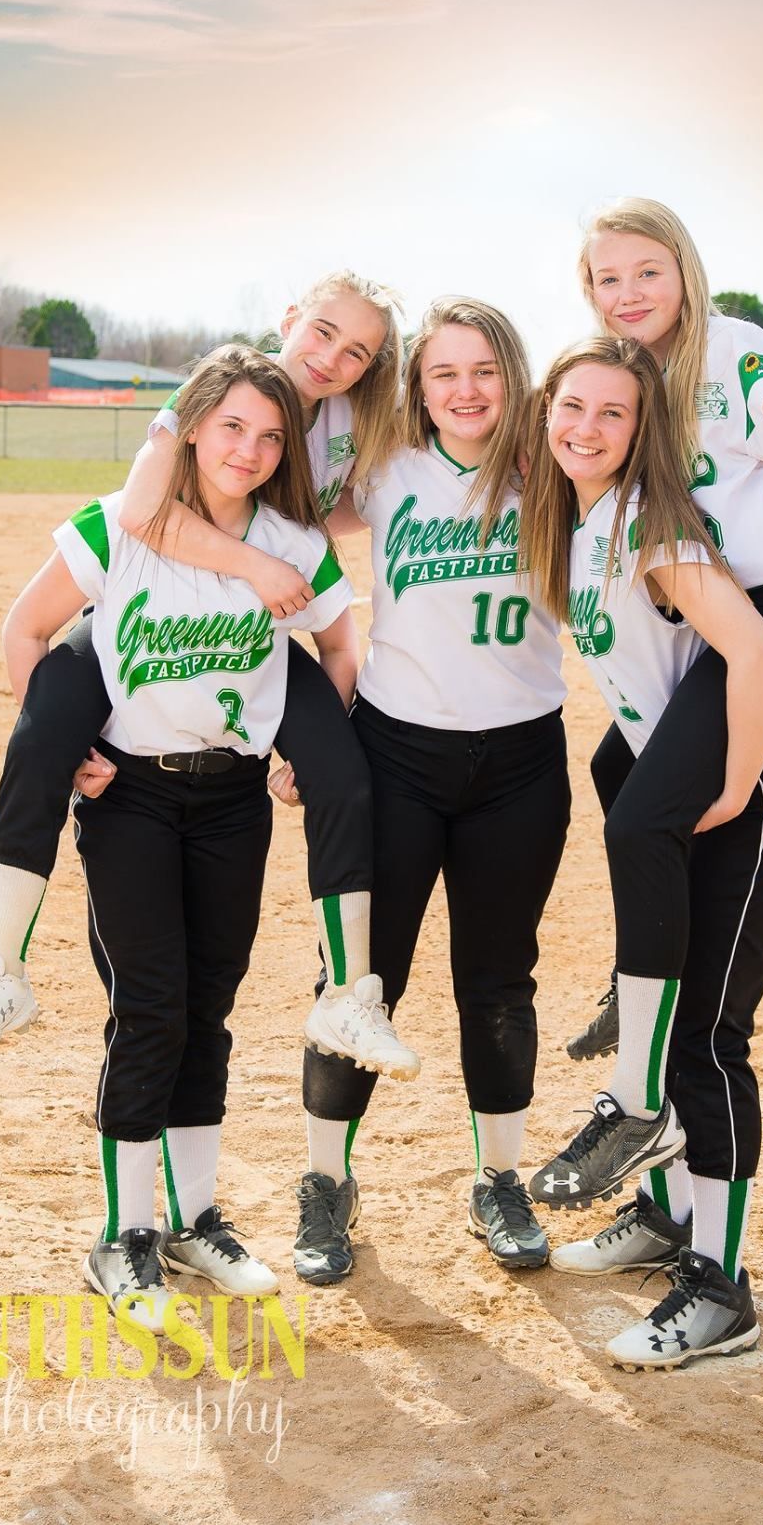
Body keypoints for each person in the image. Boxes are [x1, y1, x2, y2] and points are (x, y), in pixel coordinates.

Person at [0, 271, 418, 1080]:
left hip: (257, 621)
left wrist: (288, 550)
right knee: (48, 726)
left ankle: (348, 992)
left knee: (339, 769)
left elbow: (336, 541)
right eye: (323, 332)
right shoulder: (218, 383)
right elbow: (137, 514)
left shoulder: (348, 424)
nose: (333, 358)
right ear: (289, 317)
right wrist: (257, 563)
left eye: (358, 352)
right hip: (153, 601)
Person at [1, 346, 357, 1326]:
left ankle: (196, 1217)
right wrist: (64, 743)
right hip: (134, 802)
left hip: (233, 798)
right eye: (230, 425)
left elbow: (338, 641)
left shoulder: (289, 540)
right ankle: (124, 1234)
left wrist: (302, 747)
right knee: (150, 1006)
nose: (247, 448)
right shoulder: (119, 525)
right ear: (190, 424)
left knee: (207, 1005)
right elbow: (23, 629)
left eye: (269, 434)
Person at [521, 335, 763, 1368]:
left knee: (706, 1039)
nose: (585, 426)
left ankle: (719, 1287)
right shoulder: (576, 521)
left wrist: (735, 781)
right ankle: (666, 1220)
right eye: (571, 405)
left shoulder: (645, 519)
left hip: (747, 791)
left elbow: (755, 651)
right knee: (676, 1014)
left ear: (644, 431)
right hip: (700, 788)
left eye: (613, 413)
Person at [292, 299, 572, 1284]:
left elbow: (660, 486)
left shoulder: (553, 467)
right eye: (443, 372)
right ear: (415, 386)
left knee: (497, 982)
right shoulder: (386, 466)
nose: (464, 390)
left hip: (520, 763)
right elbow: (277, 523)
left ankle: (499, 1178)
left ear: (514, 375)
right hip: (392, 758)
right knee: (356, 979)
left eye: (484, 370)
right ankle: (326, 1182)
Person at [559, 197, 763, 1063]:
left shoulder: (736, 352)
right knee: (616, 760)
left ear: (684, 270)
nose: (628, 291)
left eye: (647, 270)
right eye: (606, 277)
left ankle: (672, 986)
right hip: (726, 610)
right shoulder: (629, 375)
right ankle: (645, 970)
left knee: (680, 802)